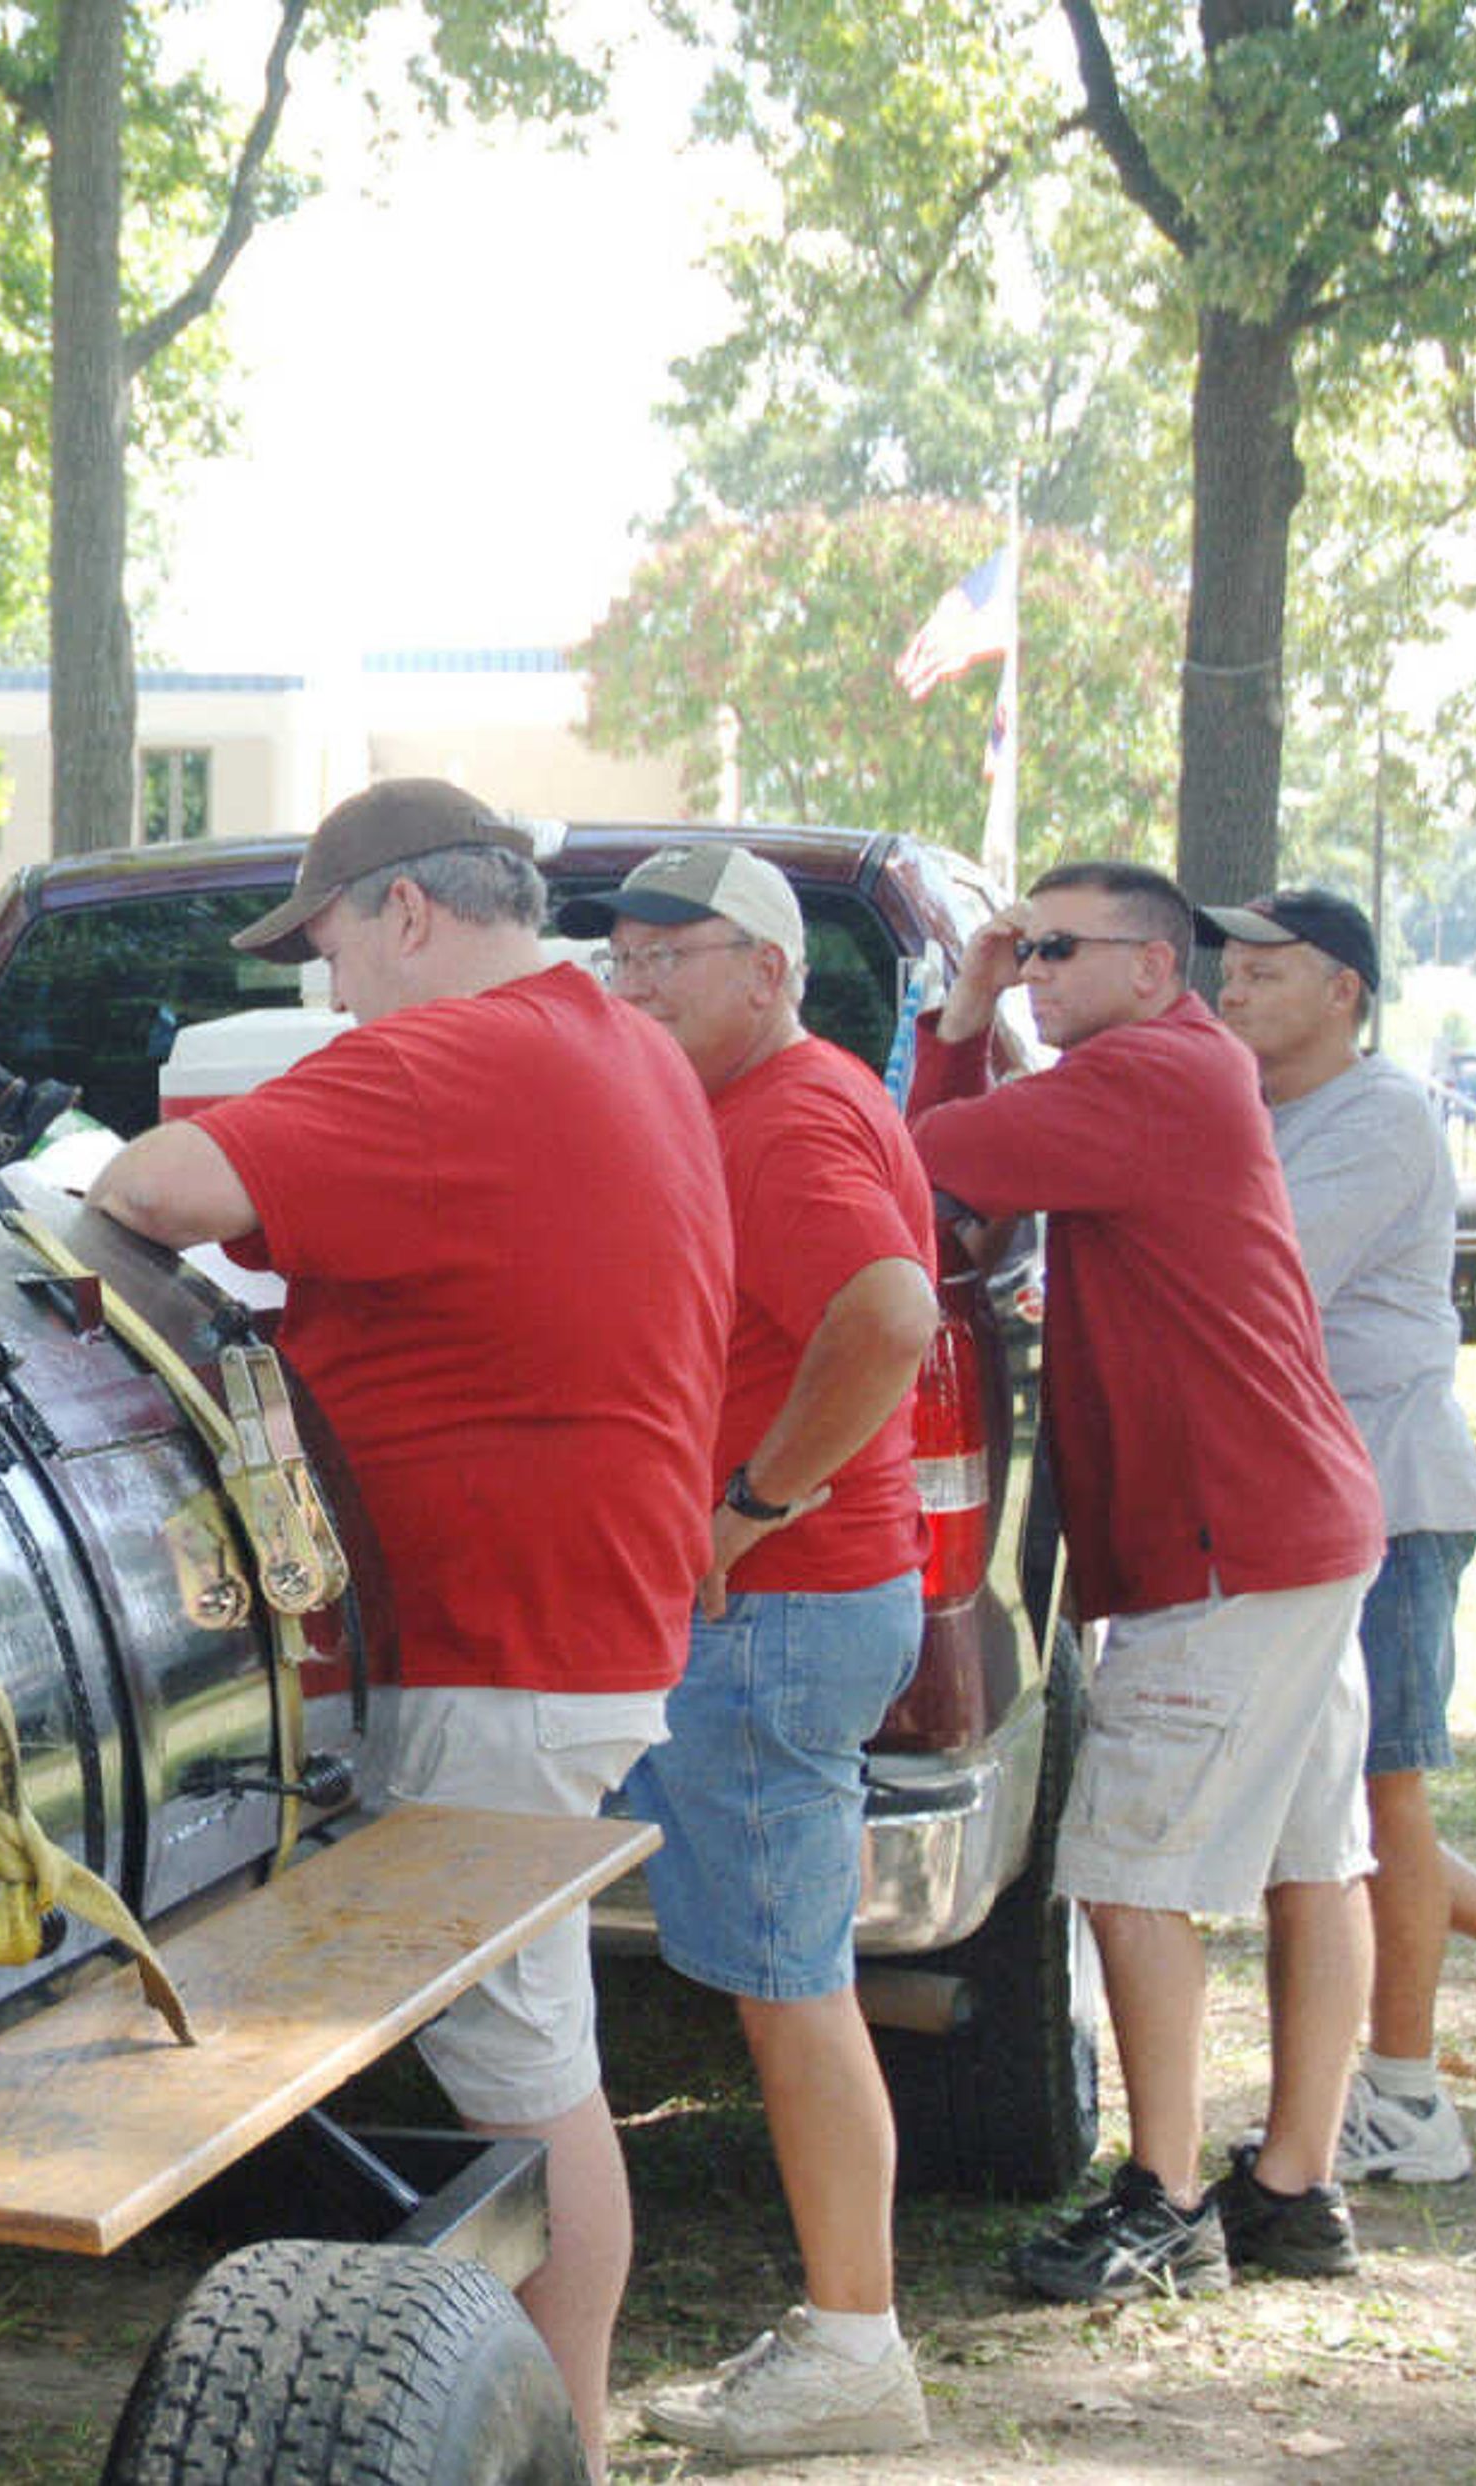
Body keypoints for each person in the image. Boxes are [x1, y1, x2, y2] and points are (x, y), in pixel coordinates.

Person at [84, 777, 730, 2466]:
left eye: (329, 949)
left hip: (500, 1639)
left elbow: (161, 1187)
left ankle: (556, 2439)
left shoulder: (454, 1056)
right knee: (527, 2051)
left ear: (408, 913)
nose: (331, 988)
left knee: (525, 2083)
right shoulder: (615, 1040)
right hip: (575, 1614)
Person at [908, 860, 1384, 2302]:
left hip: (1226, 1544)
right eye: (1021, 945)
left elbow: (915, 1172)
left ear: (1153, 968)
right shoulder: (1171, 1073)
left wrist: (962, 1010)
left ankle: (1166, 2198)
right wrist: (991, 1004)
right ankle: (1294, 2187)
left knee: (1127, 1872)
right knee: (1317, 1855)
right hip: (1289, 1525)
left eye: (1058, 948)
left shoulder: (1148, 1077)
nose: (1033, 966)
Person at [562, 848, 941, 2456]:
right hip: (782, 1603)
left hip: (777, 1609)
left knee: (794, 1986)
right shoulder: (769, 1095)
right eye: (623, 960)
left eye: (673, 958)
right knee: (785, 1976)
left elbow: (890, 1310)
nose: (635, 985)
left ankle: (859, 2346)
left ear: (769, 970)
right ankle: (847, 2327)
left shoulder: (788, 1120)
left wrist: (749, 1508)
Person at [1207, 887, 1476, 2165]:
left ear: (1344, 994)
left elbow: (1263, 1277)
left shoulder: (1381, 1119)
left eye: (1269, 970)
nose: (1236, 987)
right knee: (1333, 1808)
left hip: (1387, 1495)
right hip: (1302, 1505)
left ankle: (1411, 2099)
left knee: (1383, 1795)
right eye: (1232, 967)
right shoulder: (1261, 1108)